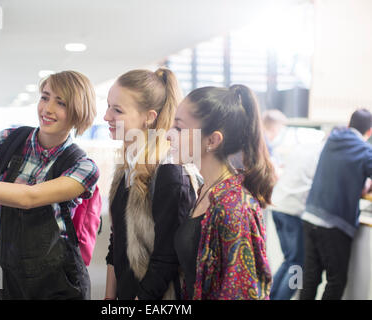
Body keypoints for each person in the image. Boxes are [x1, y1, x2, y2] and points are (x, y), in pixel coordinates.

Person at [0, 71, 99, 300]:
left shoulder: (82, 167)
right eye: (45, 97)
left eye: (61, 103)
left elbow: (29, 197)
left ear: (78, 111)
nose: (47, 109)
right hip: (10, 275)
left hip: (58, 282)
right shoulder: (8, 141)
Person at [170, 85, 274, 300]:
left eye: (179, 129)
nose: (169, 136)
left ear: (212, 140)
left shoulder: (234, 207)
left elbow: (243, 293)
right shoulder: (206, 190)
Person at [103, 68, 198, 300]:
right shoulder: (127, 168)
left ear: (149, 116)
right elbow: (117, 241)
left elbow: (167, 260)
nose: (106, 116)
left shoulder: (169, 172)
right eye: (108, 106)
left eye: (117, 110)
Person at [300, 108, 372, 300]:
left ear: (349, 124)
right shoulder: (365, 150)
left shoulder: (332, 140)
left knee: (309, 278)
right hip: (333, 224)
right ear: (370, 131)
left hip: (309, 216)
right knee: (336, 280)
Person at [269, 140, 324, 300]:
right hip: (293, 211)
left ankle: (271, 297)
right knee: (298, 265)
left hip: (278, 206)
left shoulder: (305, 147)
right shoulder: (321, 155)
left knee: (289, 261)